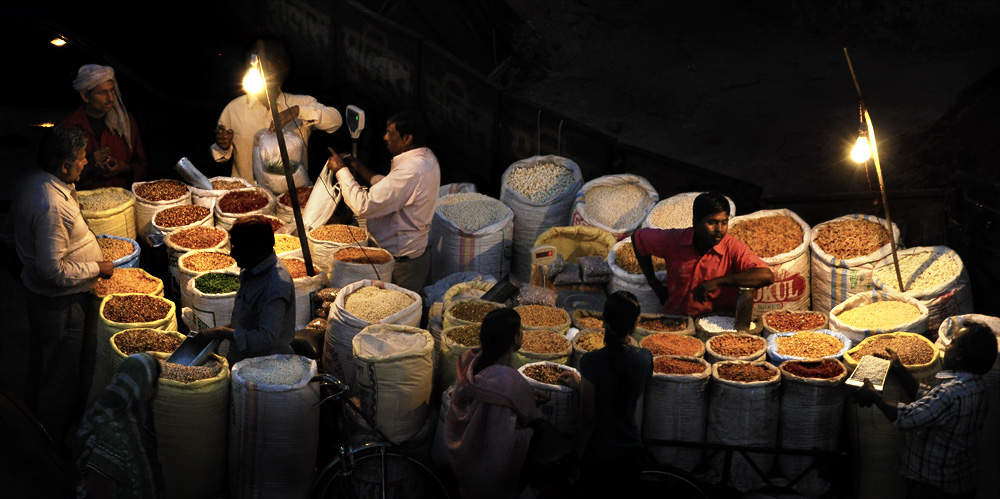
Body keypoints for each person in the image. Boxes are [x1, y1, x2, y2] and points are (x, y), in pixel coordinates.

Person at [2, 128, 114, 445]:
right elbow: (53, 271)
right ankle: (51, 445)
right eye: (80, 159)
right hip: (60, 304)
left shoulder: (29, 181)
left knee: (42, 360)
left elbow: (9, 235)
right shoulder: (53, 205)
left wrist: (25, 264)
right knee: (61, 375)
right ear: (64, 166)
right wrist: (98, 267)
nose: (85, 163)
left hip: (36, 296)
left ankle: (30, 420)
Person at [853, 322, 997, 499]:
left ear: (959, 356)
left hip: (935, 486)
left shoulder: (950, 392)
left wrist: (874, 395)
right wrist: (900, 370)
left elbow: (907, 418)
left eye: (952, 343)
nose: (946, 346)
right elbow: (928, 400)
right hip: (961, 482)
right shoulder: (978, 386)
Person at [325, 110, 440, 293]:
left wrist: (341, 171)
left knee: (396, 313)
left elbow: (364, 206)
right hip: (401, 256)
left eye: (391, 133)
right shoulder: (425, 157)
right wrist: (360, 168)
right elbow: (391, 190)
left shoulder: (412, 170)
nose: (385, 137)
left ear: (407, 138)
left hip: (402, 264)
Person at [558, 291, 654, 498]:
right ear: (635, 324)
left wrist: (575, 458)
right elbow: (622, 393)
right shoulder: (645, 358)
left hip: (599, 455)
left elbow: (588, 419)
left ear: (604, 320)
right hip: (630, 451)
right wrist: (582, 386)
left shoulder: (592, 362)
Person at [212, 39, 342, 182]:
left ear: (282, 70)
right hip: (248, 196)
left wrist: (296, 111)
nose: (261, 75)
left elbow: (336, 121)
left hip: (291, 197)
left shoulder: (301, 103)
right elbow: (221, 157)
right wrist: (223, 146)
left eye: (266, 70)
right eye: (256, 70)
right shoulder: (234, 109)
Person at [445, 308, 540, 499]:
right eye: (521, 331)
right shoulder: (511, 382)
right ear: (515, 338)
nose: (523, 334)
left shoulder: (471, 362)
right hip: (493, 471)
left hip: (466, 465)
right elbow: (526, 421)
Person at [632, 191, 773, 316]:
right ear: (696, 222)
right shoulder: (674, 240)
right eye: (712, 222)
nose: (719, 229)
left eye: (724, 222)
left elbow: (766, 275)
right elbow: (638, 238)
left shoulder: (733, 247)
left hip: (715, 323)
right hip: (676, 318)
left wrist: (719, 282)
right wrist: (654, 283)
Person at [192, 215, 295, 364]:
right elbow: (249, 317)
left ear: (256, 249)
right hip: (242, 356)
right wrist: (221, 333)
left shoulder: (275, 285)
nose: (232, 253)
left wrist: (222, 332)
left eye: (238, 247)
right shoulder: (251, 269)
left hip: (264, 364)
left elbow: (267, 338)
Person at [76, 353, 163, 499]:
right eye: (155, 383)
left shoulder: (139, 417)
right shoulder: (112, 432)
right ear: (147, 386)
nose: (158, 389)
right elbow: (98, 488)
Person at [56, 64, 148, 191]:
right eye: (102, 93)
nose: (110, 98)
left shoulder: (126, 123)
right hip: (82, 201)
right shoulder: (68, 126)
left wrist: (124, 168)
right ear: (85, 96)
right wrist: (89, 164)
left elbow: (143, 166)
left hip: (123, 199)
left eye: (112, 90)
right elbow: (58, 177)